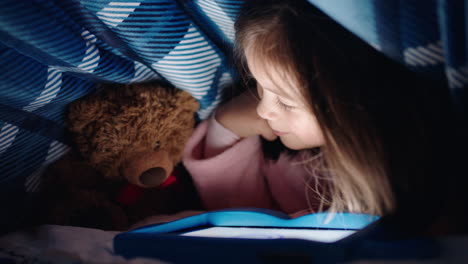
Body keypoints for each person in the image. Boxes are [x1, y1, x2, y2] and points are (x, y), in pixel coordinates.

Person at [182, 0, 462, 235]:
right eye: (258, 85)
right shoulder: (293, 160)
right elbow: (240, 224)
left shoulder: (431, 193)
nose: (263, 111)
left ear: (353, 109)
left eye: (284, 101)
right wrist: (225, 125)